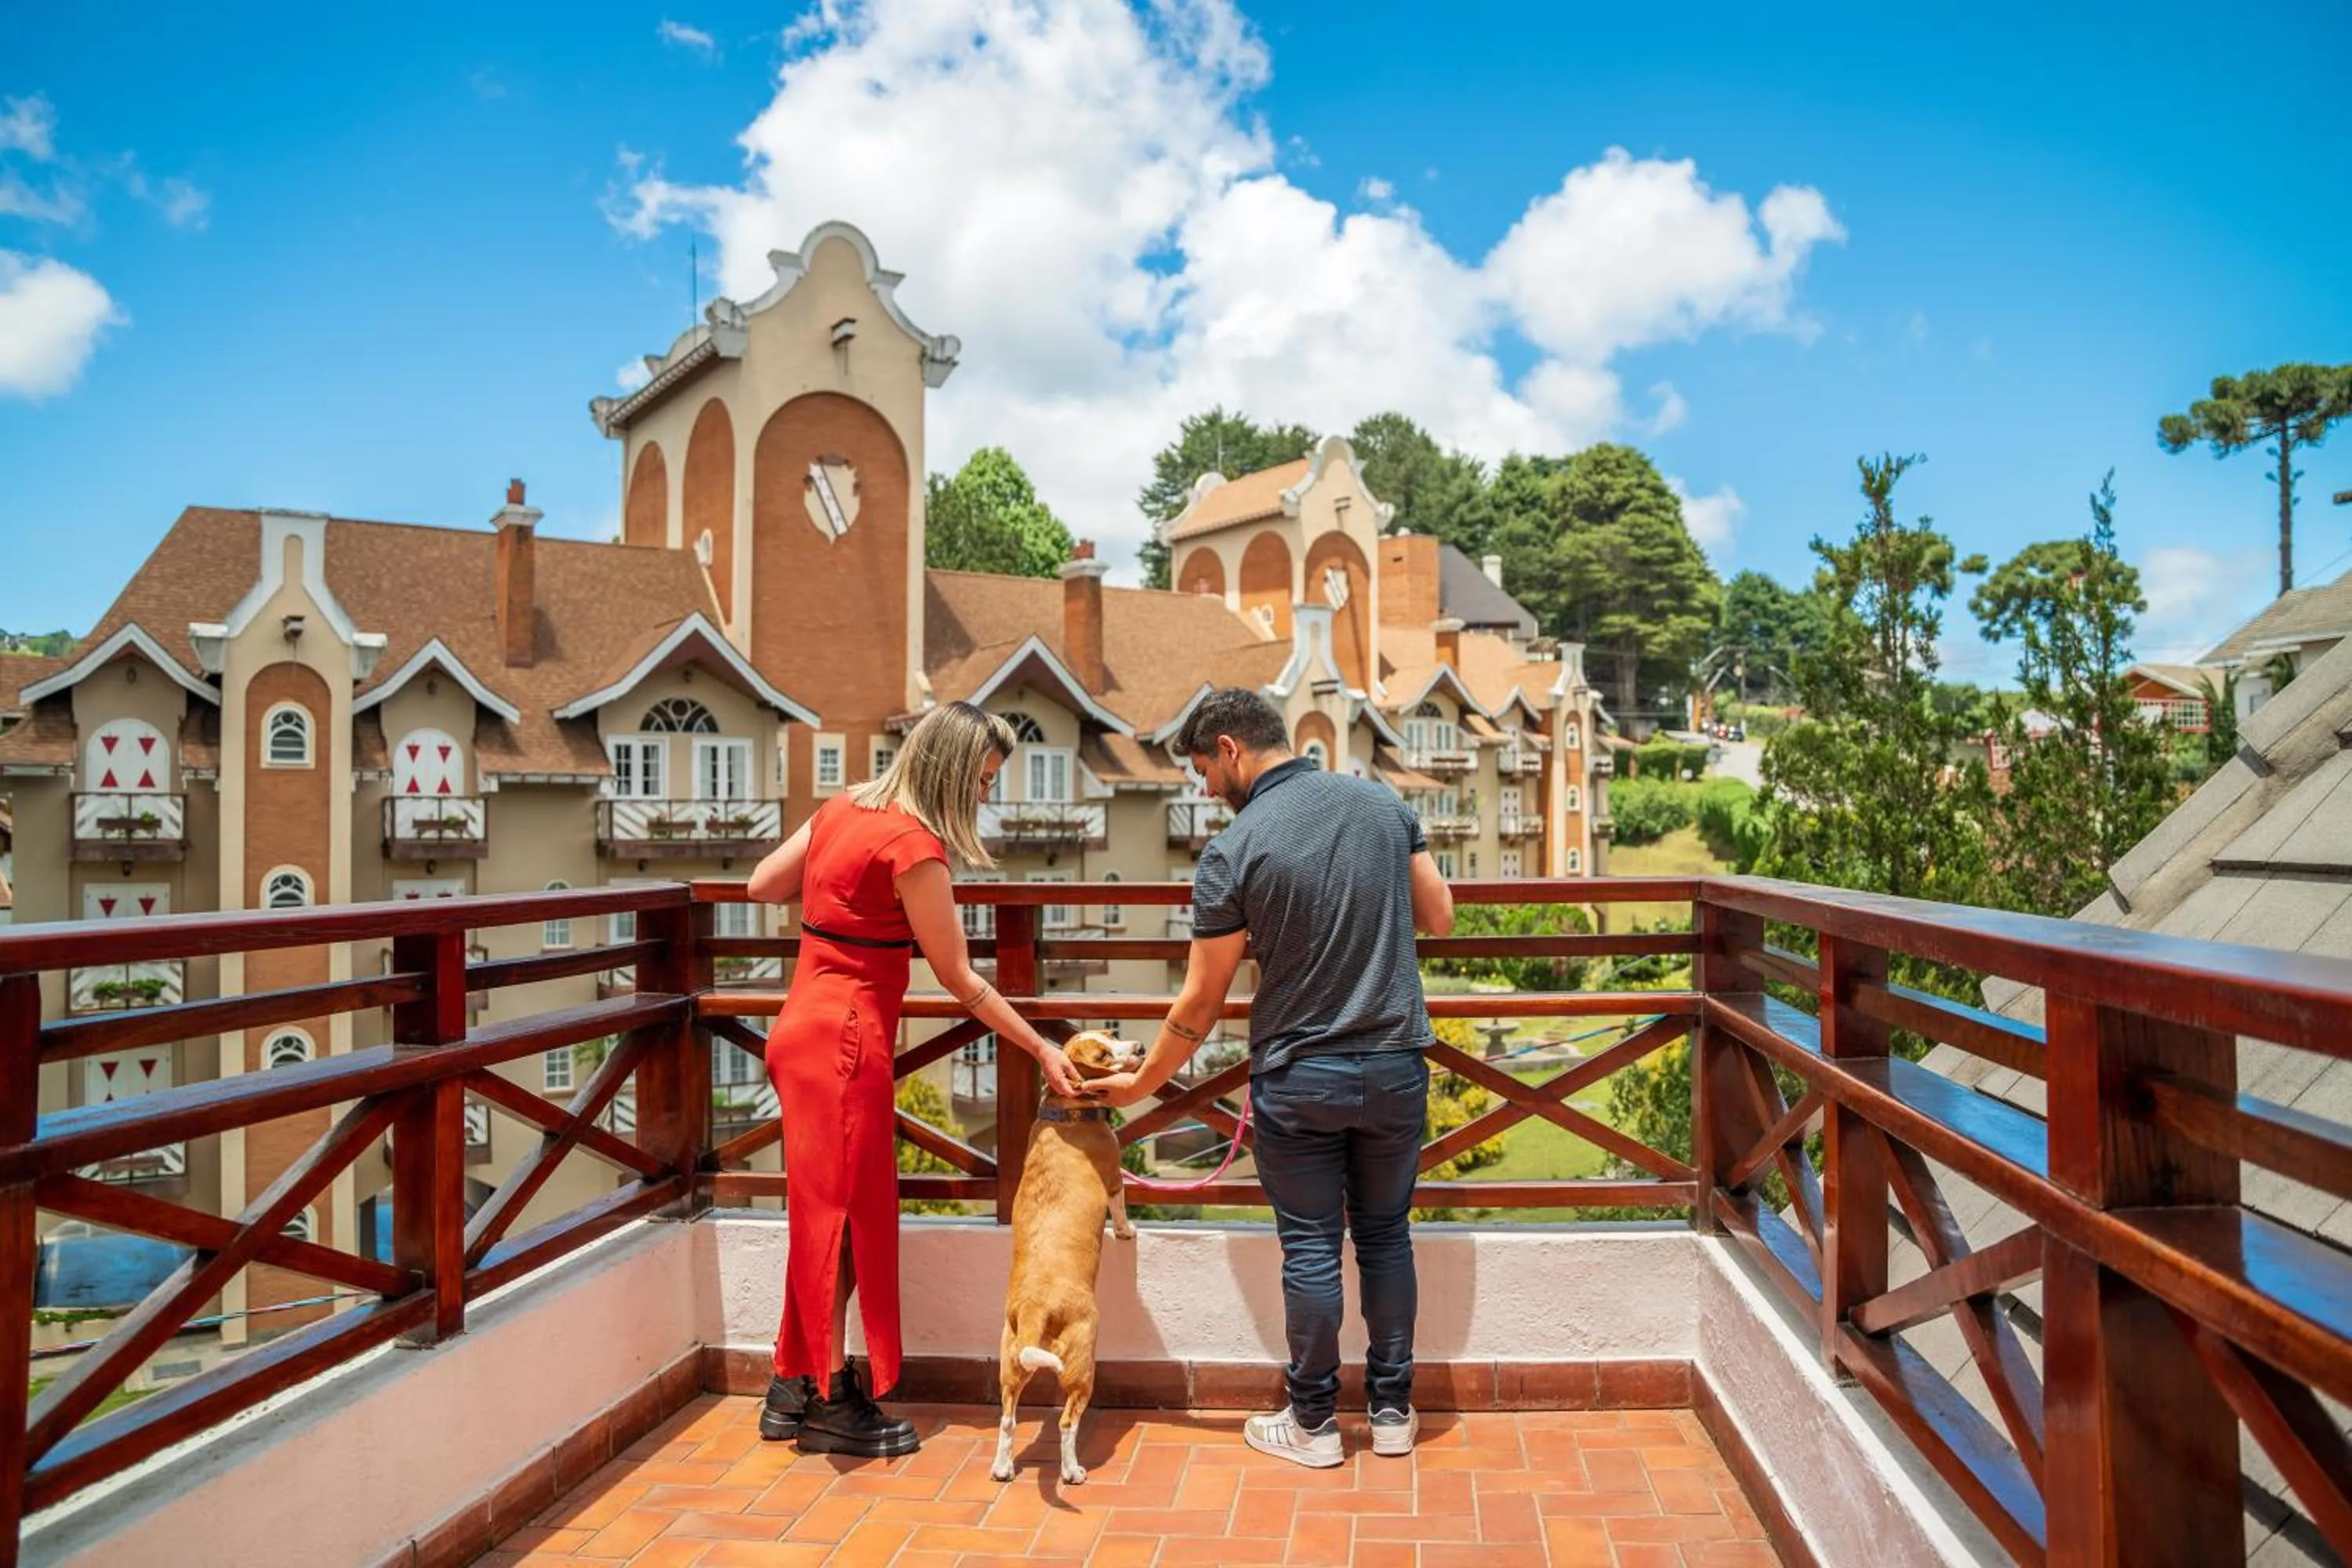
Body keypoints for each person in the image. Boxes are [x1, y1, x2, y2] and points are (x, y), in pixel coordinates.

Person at [1093, 688, 1454, 1468]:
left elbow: (1201, 996)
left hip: (1301, 1075)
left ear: (1231, 749)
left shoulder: (1234, 849)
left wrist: (1144, 1082)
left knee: (1314, 1245)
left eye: (1200, 769)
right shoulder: (1381, 803)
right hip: (1395, 1063)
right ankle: (1392, 1410)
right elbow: (1441, 913)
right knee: (1387, 1235)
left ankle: (1315, 1424)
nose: (1202, 787)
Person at [744, 701, 1093, 1458]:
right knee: (844, 1224)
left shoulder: (842, 808)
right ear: (953, 769)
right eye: (986, 779)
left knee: (818, 1216)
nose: (989, 796)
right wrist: (1040, 1046)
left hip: (798, 1030)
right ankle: (834, 1399)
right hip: (846, 1046)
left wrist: (843, 911)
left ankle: (790, 1384)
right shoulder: (914, 848)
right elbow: (962, 981)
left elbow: (762, 886)